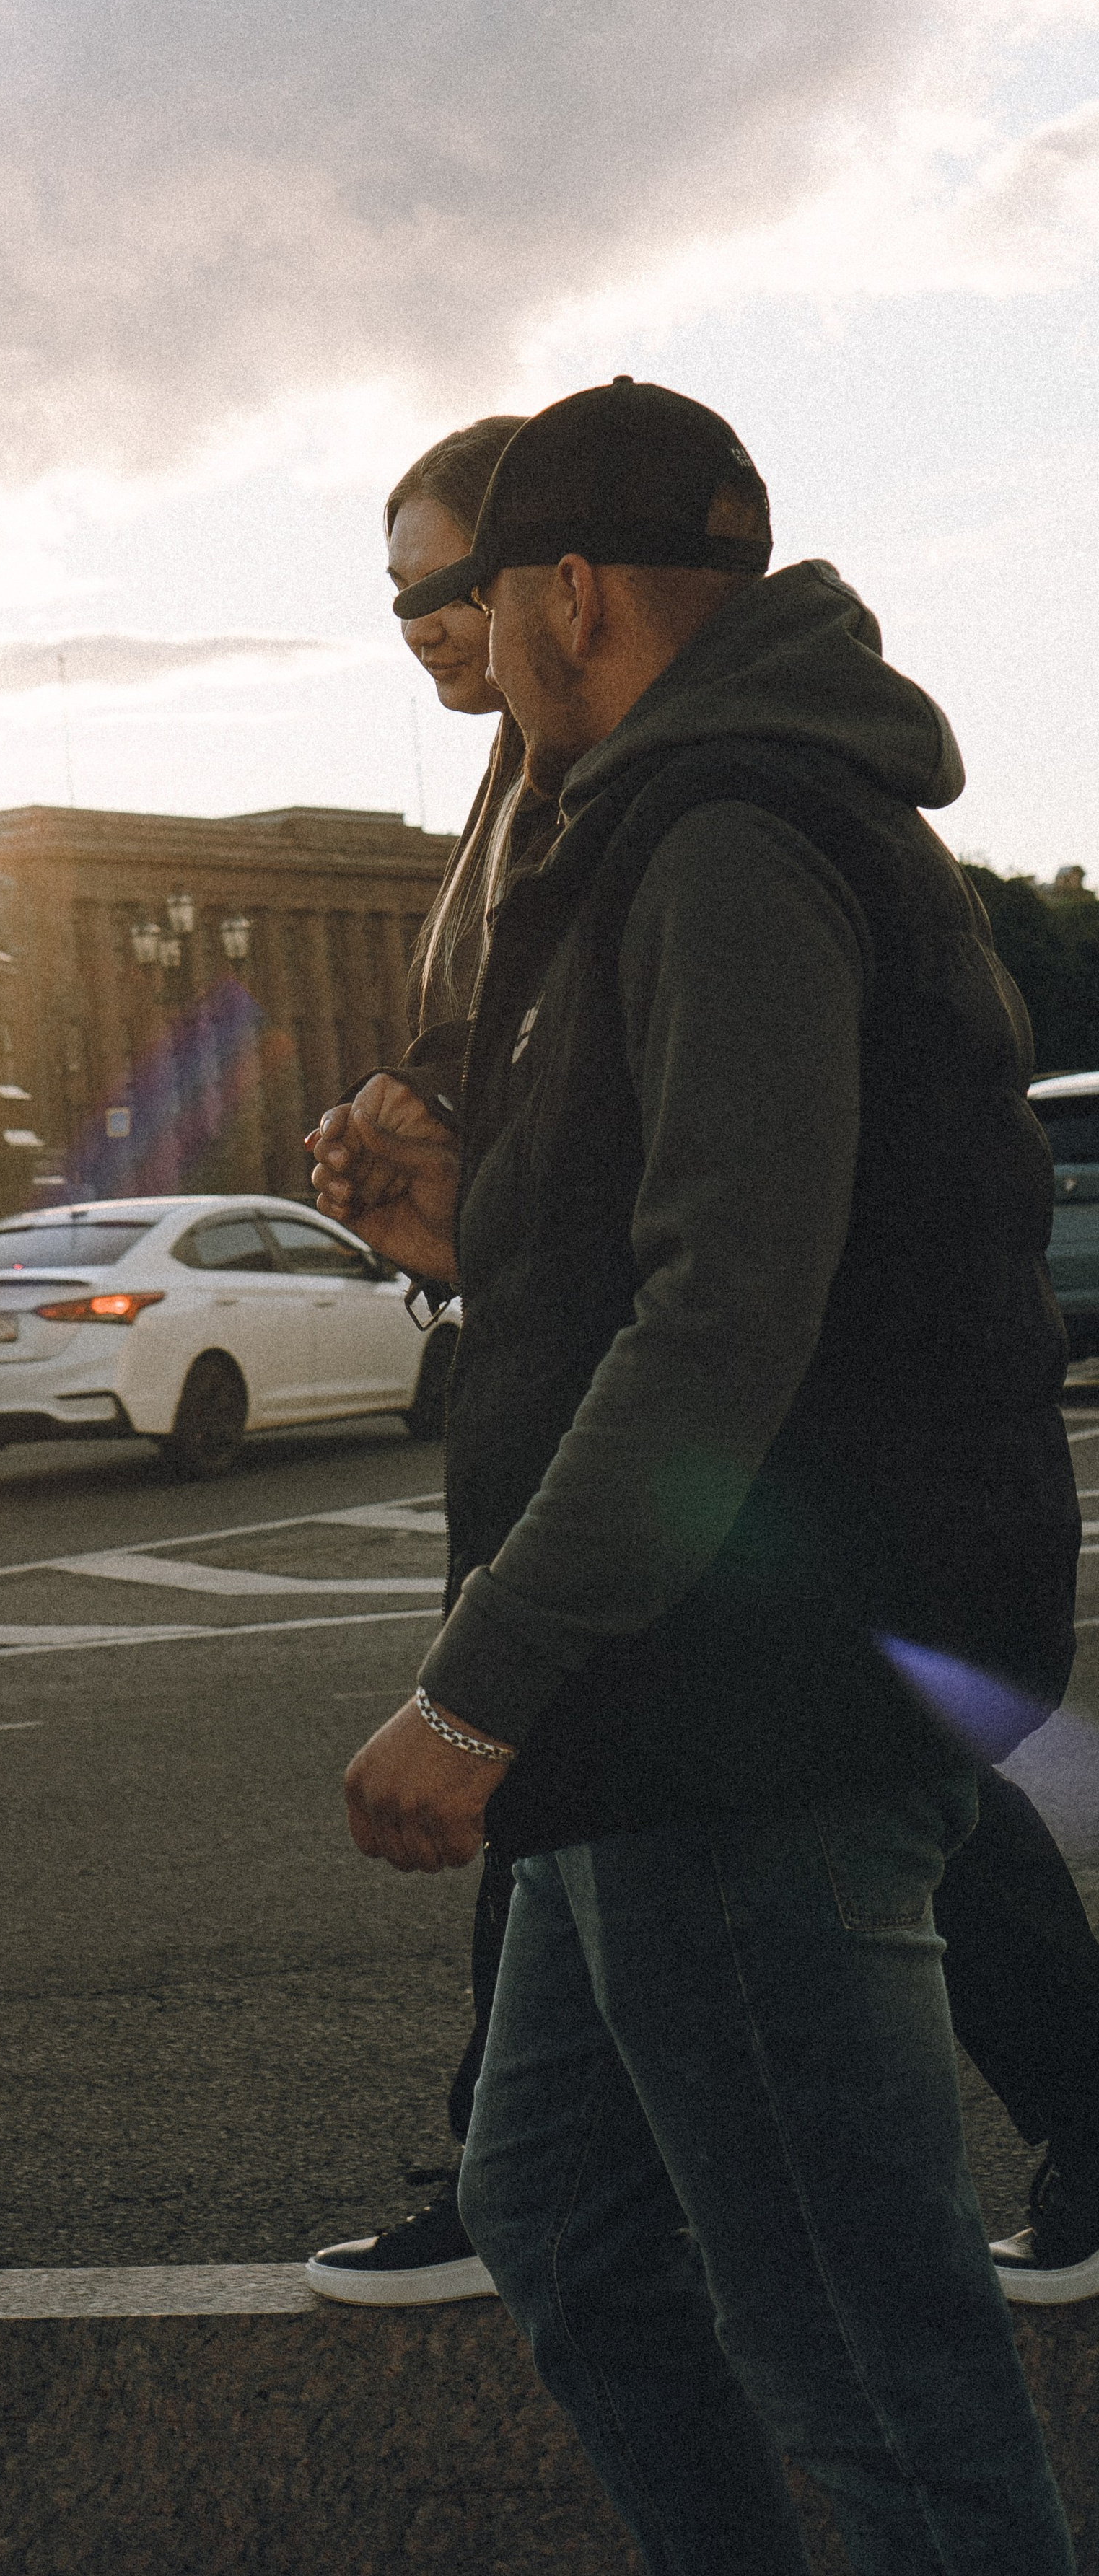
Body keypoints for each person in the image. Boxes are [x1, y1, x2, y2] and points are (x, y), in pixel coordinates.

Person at [315, 377, 1077, 2571]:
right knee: (559, 2211)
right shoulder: (713, 820)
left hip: (735, 1705)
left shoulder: (722, 832)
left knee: (865, 2353)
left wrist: (477, 1684)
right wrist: (468, 1232)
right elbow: (761, 1254)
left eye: (471, 595)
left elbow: (728, 1321)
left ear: (561, 592)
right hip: (676, 1705)